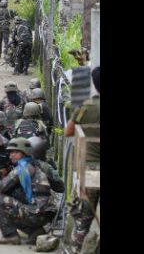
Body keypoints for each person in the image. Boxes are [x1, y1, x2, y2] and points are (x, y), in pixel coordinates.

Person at [0, 137, 57, 245]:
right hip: (46, 213)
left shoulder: (22, 168)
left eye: (15, 152)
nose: (11, 155)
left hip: (37, 213)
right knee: (13, 199)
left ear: (25, 153)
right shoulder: (34, 164)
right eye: (10, 152)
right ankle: (35, 231)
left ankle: (10, 236)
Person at [64, 66, 100, 250]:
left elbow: (68, 131)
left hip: (90, 170)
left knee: (83, 220)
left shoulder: (86, 107)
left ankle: (76, 247)